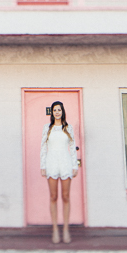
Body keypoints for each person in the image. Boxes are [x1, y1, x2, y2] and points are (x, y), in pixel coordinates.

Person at [40, 101, 78, 244]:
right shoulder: (47, 128)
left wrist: (75, 166)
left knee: (66, 196)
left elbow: (72, 147)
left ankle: (66, 229)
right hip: (51, 162)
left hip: (65, 162)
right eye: (54, 110)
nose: (57, 112)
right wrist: (42, 165)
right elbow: (43, 147)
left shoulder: (68, 128)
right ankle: (55, 229)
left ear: (62, 112)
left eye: (59, 110)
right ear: (52, 112)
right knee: (54, 196)